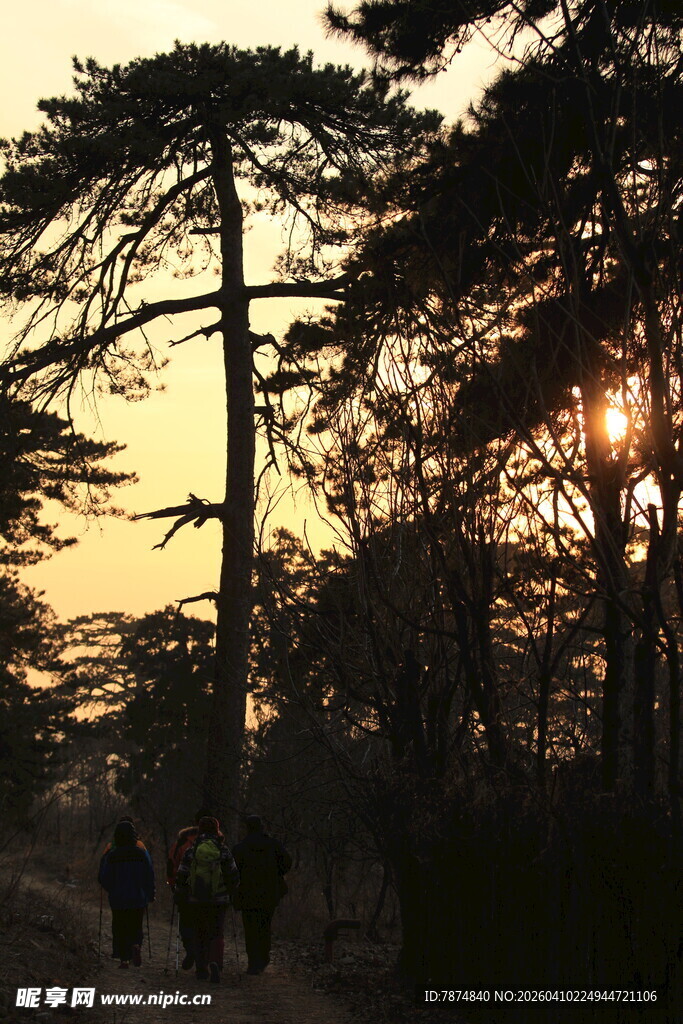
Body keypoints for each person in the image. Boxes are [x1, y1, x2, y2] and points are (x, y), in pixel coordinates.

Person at [174, 816, 238, 984]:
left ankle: (201, 969)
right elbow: (233, 874)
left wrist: (179, 893)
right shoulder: (223, 850)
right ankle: (215, 963)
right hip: (219, 900)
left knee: (199, 932)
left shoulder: (192, 850)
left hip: (196, 899)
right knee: (216, 932)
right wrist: (231, 891)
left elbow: (182, 873)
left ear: (200, 830)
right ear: (217, 830)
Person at [232, 815, 292, 975]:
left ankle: (253, 962)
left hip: (248, 893)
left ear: (247, 828)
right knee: (265, 925)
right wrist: (275, 874)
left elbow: (232, 871)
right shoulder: (273, 845)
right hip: (269, 893)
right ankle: (263, 958)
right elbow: (287, 863)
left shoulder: (240, 848)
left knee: (250, 928)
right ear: (262, 827)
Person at [166, 809, 224, 971]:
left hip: (192, 895)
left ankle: (195, 956)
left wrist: (175, 888)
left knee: (191, 927)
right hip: (217, 897)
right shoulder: (221, 847)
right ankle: (212, 961)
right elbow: (231, 873)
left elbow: (176, 868)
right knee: (214, 930)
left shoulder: (185, 844)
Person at [98, 820, 155, 969]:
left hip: (118, 897)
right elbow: (149, 875)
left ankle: (124, 959)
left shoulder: (112, 855)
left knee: (120, 926)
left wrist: (111, 889)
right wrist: (150, 893)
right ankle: (136, 944)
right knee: (136, 924)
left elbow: (104, 877)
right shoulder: (141, 853)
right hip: (138, 896)